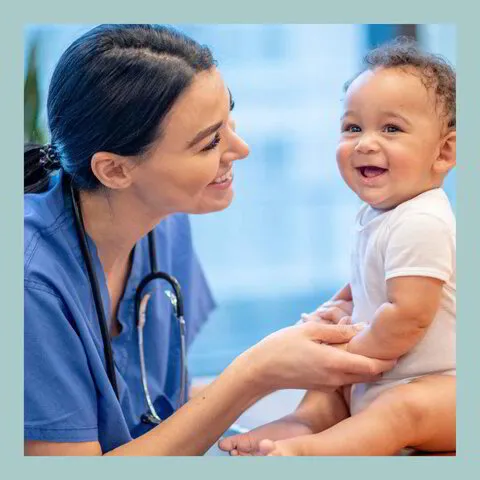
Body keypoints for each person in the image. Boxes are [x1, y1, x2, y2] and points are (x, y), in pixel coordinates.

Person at [24, 24, 395, 456]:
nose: (241, 149)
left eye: (229, 122)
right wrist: (255, 372)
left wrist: (293, 359)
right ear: (115, 170)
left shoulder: (161, 224)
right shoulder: (30, 284)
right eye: (209, 143)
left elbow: (155, 407)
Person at [219, 37, 456, 456]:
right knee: (328, 394)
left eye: (391, 129)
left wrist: (345, 354)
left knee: (398, 409)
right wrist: (338, 310)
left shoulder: (423, 220)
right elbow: (366, 283)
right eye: (352, 127)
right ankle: (303, 424)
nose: (365, 142)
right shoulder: (379, 216)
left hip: (445, 389)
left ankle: (311, 451)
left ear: (444, 151)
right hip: (387, 372)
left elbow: (408, 317)